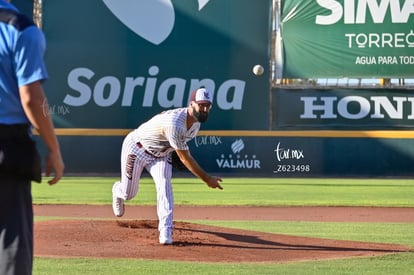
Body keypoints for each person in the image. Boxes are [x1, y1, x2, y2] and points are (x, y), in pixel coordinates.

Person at [0, 1, 64, 274]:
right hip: (7, 145)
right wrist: (54, 150)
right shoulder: (21, 28)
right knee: (12, 246)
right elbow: (32, 98)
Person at [112, 87, 223, 245]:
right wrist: (207, 179)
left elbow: (179, 149)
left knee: (164, 186)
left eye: (207, 106)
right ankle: (118, 191)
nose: (204, 109)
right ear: (191, 105)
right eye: (201, 105)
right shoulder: (175, 123)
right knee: (129, 193)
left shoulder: (196, 124)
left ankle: (166, 229)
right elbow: (185, 158)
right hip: (137, 148)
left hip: (161, 155)